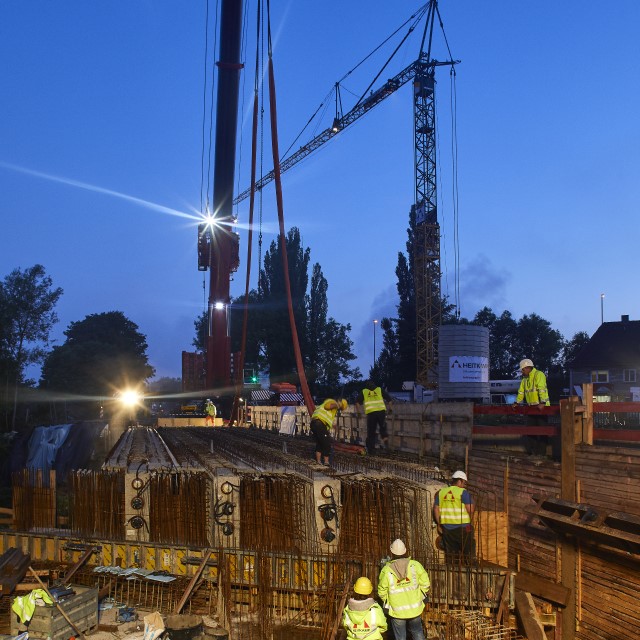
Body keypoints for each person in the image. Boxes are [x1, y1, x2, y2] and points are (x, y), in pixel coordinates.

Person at [378, 539, 430, 640]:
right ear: (405, 551)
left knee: (400, 637)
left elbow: (382, 591)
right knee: (418, 633)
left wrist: (388, 601)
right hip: (415, 608)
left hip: (397, 611)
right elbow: (426, 583)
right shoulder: (415, 565)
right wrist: (421, 594)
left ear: (392, 552)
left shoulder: (386, 570)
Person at [433, 470, 476, 564]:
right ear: (460, 481)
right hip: (464, 528)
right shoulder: (462, 492)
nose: (464, 485)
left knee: (452, 556)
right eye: (464, 483)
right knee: (469, 549)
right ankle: (471, 568)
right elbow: (471, 510)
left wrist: (439, 524)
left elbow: (436, 509)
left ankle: (453, 573)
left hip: (447, 529)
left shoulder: (442, 492)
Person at [514, 358, 550, 454]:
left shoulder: (539, 374)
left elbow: (541, 388)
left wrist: (542, 402)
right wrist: (517, 402)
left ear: (527, 367)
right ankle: (533, 452)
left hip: (542, 408)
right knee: (530, 431)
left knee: (542, 432)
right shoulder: (524, 379)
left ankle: (541, 454)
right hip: (531, 408)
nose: (521, 371)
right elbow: (521, 392)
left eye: (522, 369)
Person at [356, 380, 393, 454]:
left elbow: (357, 403)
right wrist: (390, 409)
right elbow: (389, 400)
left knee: (371, 432)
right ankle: (387, 446)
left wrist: (358, 412)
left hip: (371, 414)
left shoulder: (364, 391)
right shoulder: (379, 389)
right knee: (383, 430)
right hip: (381, 413)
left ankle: (371, 450)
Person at [310, 398, 347, 465]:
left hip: (314, 424)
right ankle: (326, 462)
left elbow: (326, 418)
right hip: (319, 424)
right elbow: (327, 406)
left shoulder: (326, 405)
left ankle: (318, 461)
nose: (339, 410)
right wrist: (337, 405)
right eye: (341, 408)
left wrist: (333, 426)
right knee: (327, 442)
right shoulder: (332, 402)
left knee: (320, 443)